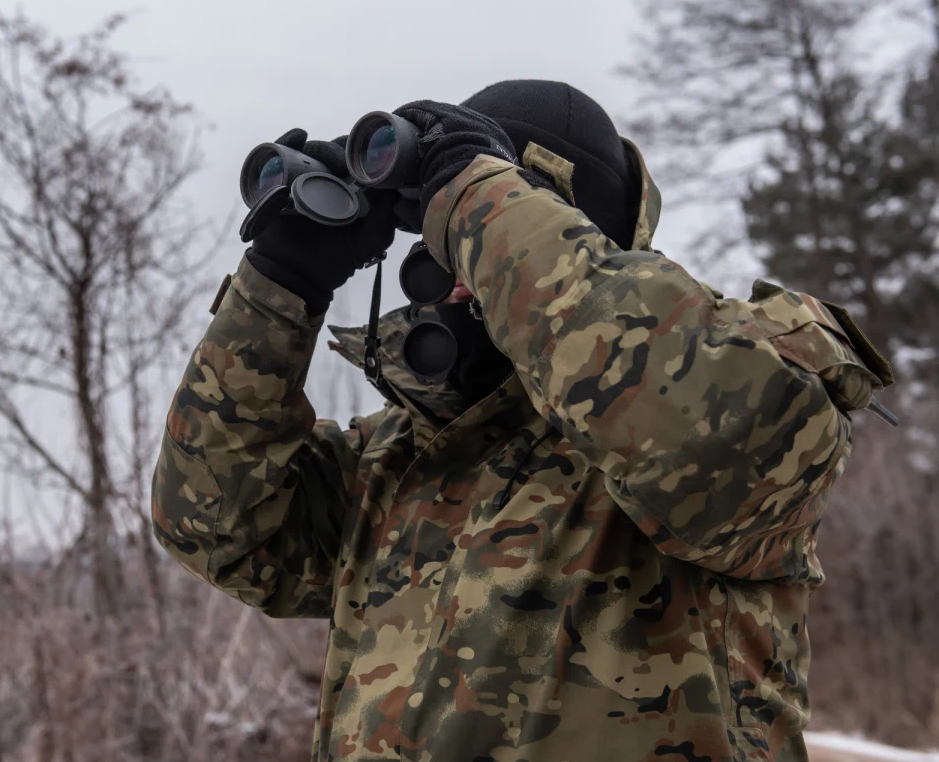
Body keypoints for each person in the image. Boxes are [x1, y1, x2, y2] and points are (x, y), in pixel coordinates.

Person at [151, 80, 893, 762]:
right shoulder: (394, 461)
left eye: (477, 233)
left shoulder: (732, 390)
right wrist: (283, 281)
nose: (452, 274)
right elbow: (215, 523)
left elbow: (692, 427)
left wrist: (470, 188)